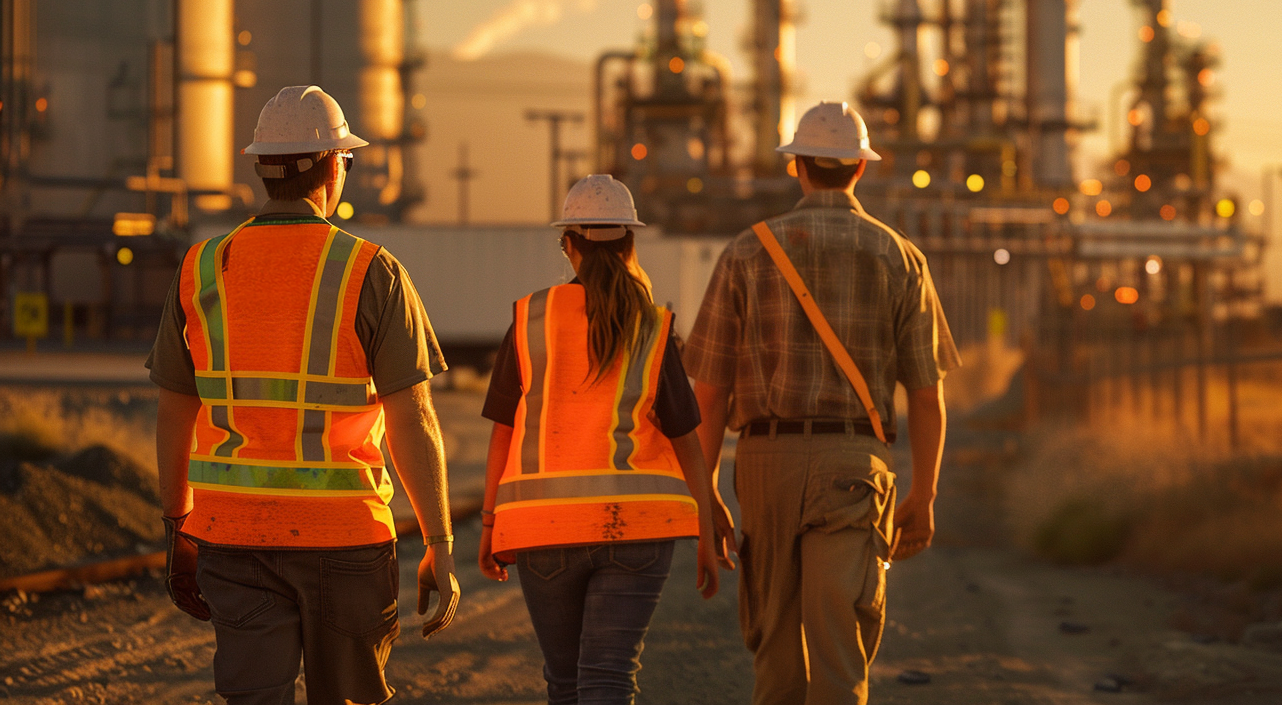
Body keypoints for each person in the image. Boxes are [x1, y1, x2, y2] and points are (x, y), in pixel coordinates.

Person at [148, 85, 460, 705]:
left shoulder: (201, 268)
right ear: (332, 166)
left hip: (231, 537)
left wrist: (178, 526)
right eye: (345, 160)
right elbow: (412, 417)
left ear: (263, 168)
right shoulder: (372, 270)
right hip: (345, 542)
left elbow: (175, 411)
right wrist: (440, 543)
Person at [684, 101, 961, 705]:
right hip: (854, 469)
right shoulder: (900, 256)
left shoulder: (745, 252)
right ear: (859, 170)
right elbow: (926, 392)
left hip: (765, 464)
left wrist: (704, 498)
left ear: (798, 167)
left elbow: (708, 390)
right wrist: (925, 494)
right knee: (840, 657)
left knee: (776, 656)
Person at [477, 174, 729, 705]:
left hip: (544, 528)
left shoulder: (530, 319)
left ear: (568, 244)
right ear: (629, 244)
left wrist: (489, 524)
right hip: (636, 526)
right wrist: (707, 525)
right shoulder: (653, 325)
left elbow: (503, 432)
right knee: (609, 677)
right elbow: (687, 438)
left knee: (566, 683)